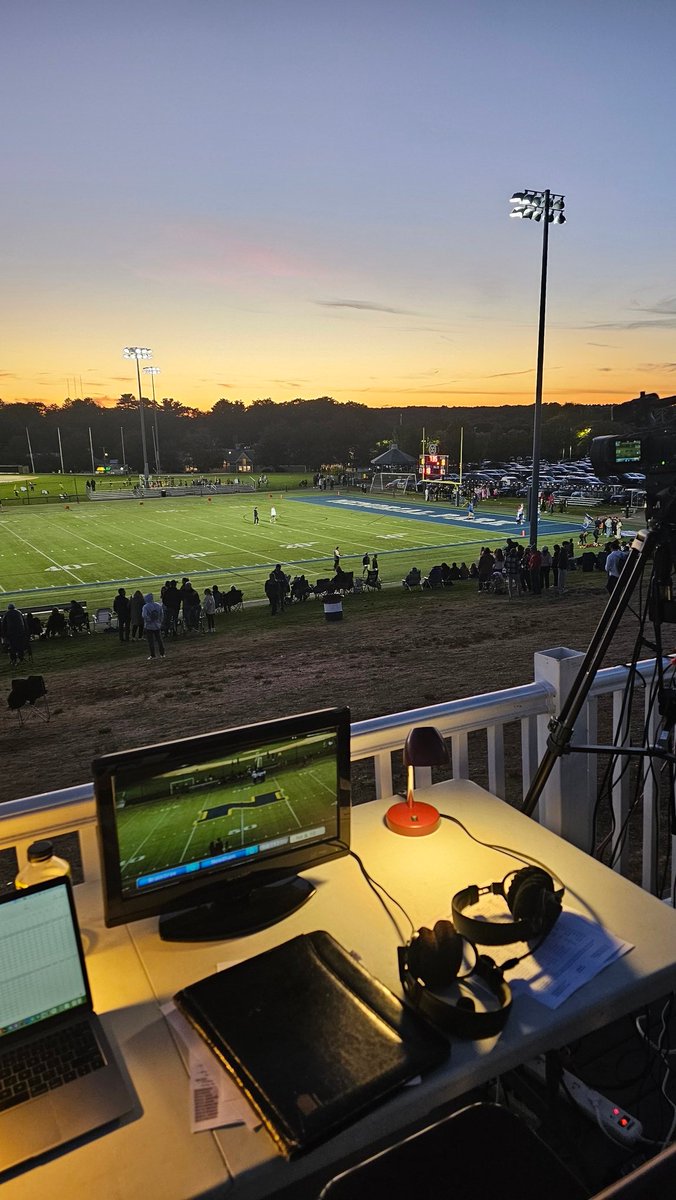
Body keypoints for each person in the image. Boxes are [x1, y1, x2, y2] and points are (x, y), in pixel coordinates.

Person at [141, 592, 165, 659]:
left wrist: (149, 620)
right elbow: (161, 614)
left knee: (151, 641)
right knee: (159, 640)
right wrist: (159, 622)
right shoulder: (158, 605)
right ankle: (162, 654)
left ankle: (153, 655)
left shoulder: (145, 606)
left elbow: (144, 616)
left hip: (149, 626)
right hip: (157, 625)